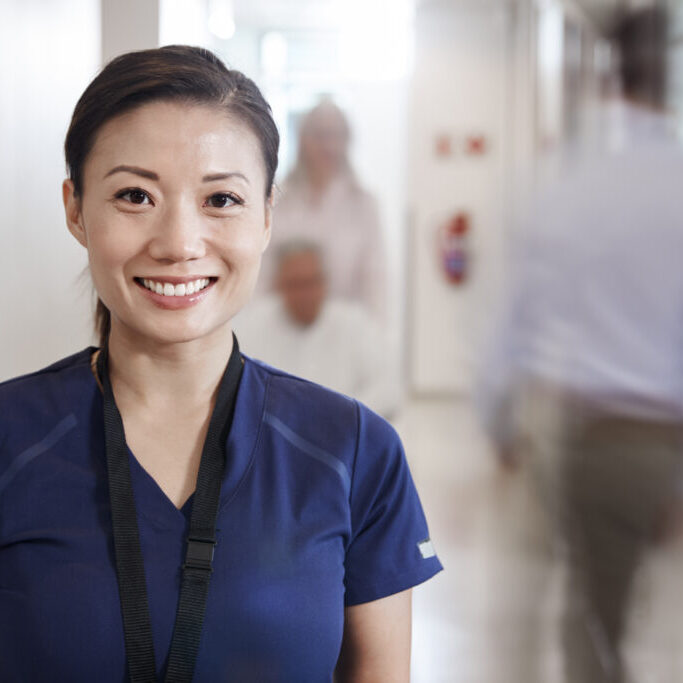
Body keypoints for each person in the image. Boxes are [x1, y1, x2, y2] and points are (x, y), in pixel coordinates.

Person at [0, 46, 442, 682]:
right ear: (75, 208)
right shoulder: (13, 435)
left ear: (267, 213)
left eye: (222, 201)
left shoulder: (353, 451)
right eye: (134, 195)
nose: (179, 243)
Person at [477, 6, 683, 682]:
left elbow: (512, 319)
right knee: (613, 611)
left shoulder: (567, 181)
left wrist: (497, 420)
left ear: (605, 77)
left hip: (583, 429)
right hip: (659, 437)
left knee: (583, 621)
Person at [235, 240, 399, 419]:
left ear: (325, 282)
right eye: (296, 284)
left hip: (343, 433)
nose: (305, 293)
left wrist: (339, 416)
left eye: (311, 282)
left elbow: (388, 391)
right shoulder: (251, 325)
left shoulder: (354, 324)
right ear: (279, 285)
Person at [259, 100, 386, 318]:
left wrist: (375, 334)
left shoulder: (363, 203)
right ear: (303, 140)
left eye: (336, 135)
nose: (328, 145)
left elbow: (376, 280)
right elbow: (262, 273)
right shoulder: (277, 198)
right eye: (320, 135)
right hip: (284, 326)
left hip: (345, 329)